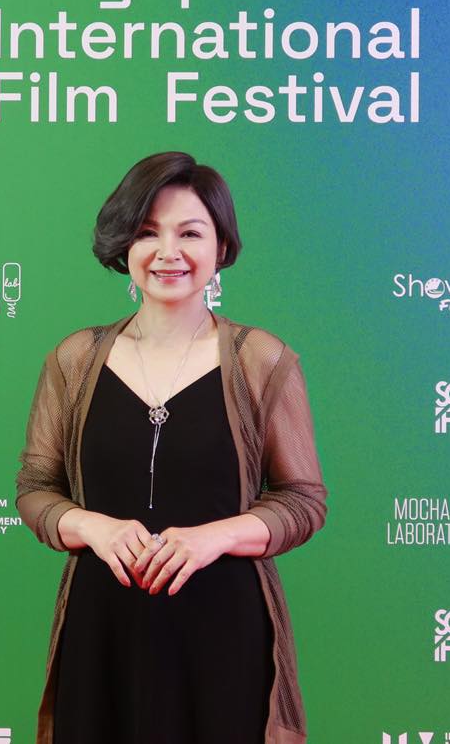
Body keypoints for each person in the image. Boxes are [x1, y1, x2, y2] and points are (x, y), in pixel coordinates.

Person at [16, 151, 328, 744]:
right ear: (124, 246)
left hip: (223, 635)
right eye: (147, 233)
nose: (168, 252)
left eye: (190, 233)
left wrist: (215, 537)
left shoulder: (261, 361)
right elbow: (35, 488)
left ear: (221, 247)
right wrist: (92, 526)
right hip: (102, 634)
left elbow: (303, 500)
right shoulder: (75, 359)